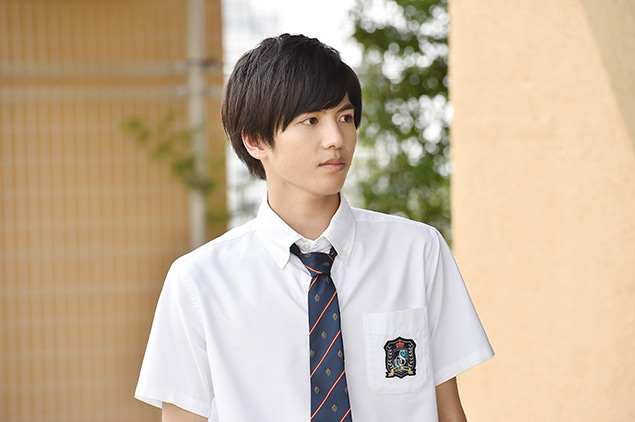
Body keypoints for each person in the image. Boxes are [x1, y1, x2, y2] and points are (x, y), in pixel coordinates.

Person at [135, 33, 493, 422]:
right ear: (255, 140)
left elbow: (448, 410)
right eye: (311, 120)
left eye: (345, 117)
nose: (336, 139)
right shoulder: (199, 281)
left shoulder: (417, 251)